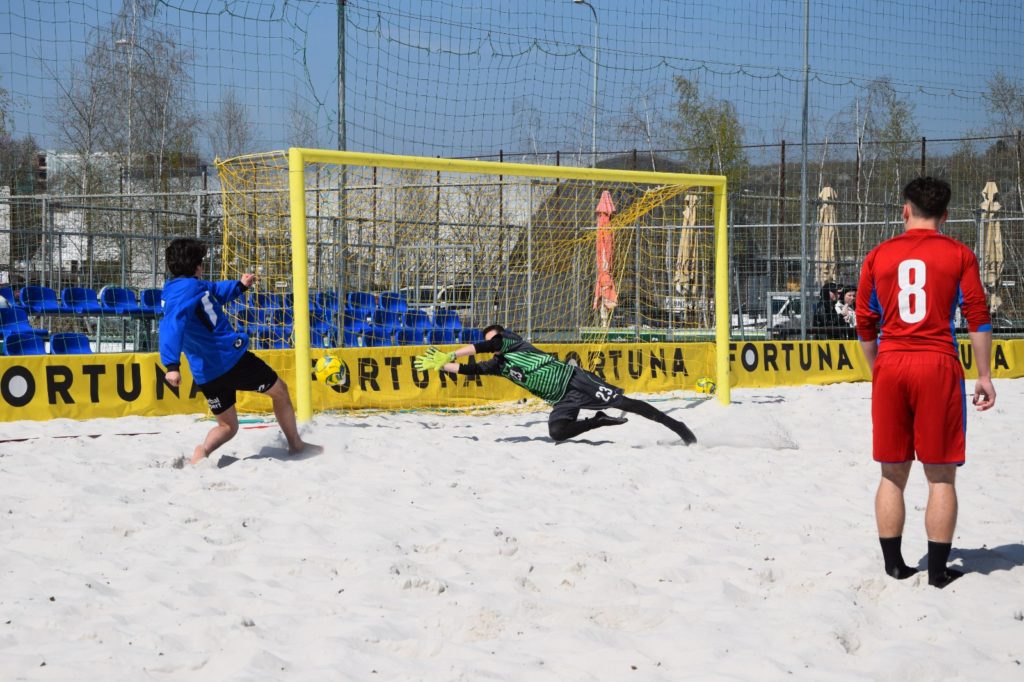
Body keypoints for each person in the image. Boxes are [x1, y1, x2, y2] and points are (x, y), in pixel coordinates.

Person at [855, 177, 996, 589]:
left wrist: (878, 369)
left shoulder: (878, 255)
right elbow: (977, 317)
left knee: (891, 473)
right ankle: (937, 571)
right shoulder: (959, 254)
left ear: (905, 209)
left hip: (892, 362)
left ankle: (895, 566)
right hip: (937, 364)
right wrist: (984, 375)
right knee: (941, 476)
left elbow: (865, 323)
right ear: (945, 216)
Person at [159, 238, 321, 465]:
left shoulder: (177, 289)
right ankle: (296, 445)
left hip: (206, 373)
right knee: (280, 391)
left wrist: (240, 286)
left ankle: (202, 451)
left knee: (228, 426)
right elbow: (171, 326)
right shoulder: (189, 290)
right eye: (201, 262)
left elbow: (215, 291)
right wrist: (171, 366)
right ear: (196, 265)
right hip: (231, 360)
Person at [414, 325, 697, 444]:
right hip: (562, 399)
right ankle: (598, 420)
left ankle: (678, 427)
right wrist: (441, 365)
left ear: (501, 336)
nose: (493, 343)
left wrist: (451, 353)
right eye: (490, 340)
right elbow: (470, 369)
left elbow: (483, 346)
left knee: (627, 404)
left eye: (494, 338)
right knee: (557, 432)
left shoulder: (513, 342)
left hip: (574, 380)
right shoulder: (498, 365)